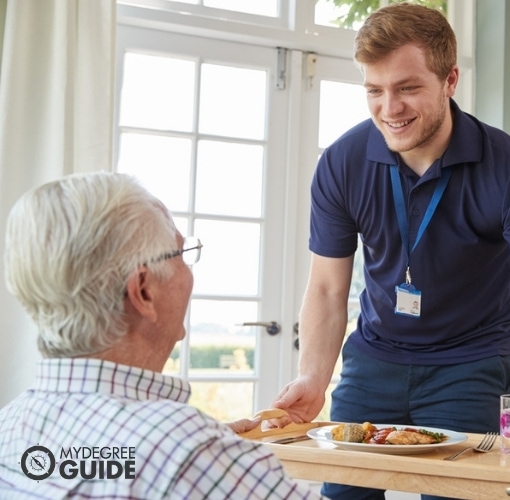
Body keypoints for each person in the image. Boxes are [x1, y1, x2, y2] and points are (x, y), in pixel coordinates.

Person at [270, 3, 510, 499]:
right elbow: (325, 287)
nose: (390, 108)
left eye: (407, 88)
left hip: (468, 365)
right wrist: (313, 377)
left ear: (450, 80)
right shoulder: (342, 163)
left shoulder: (507, 167)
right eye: (375, 91)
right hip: (373, 360)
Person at [0, 172, 321, 499]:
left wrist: (210, 452)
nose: (189, 272)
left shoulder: (10, 426)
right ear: (143, 291)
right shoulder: (184, 450)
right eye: (180, 254)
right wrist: (206, 453)